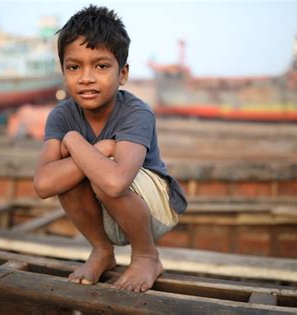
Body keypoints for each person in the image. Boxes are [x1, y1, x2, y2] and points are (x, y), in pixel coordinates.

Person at [34, 4, 186, 293]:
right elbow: (43, 184)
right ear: (64, 71)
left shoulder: (136, 113)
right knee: (81, 173)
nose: (86, 77)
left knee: (102, 176)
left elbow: (115, 182)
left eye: (101, 66)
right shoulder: (62, 116)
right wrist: (96, 147)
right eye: (74, 67)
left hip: (155, 209)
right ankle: (102, 251)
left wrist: (74, 143)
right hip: (107, 210)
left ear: (123, 73)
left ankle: (146, 256)